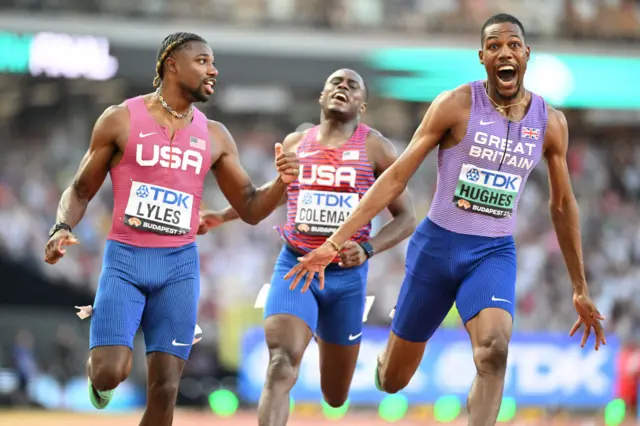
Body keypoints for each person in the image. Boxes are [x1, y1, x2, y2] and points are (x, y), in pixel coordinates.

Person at [285, 14, 606, 426]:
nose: (504, 52)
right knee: (393, 380)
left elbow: (562, 205)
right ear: (482, 57)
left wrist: (579, 286)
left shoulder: (550, 123)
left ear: (526, 54)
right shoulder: (455, 105)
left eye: (512, 45)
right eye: (493, 46)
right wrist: (332, 243)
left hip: (492, 252)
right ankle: (388, 356)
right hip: (436, 248)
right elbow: (396, 176)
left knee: (494, 351)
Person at [43, 32, 299, 426]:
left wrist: (282, 182)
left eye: (214, 62)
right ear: (171, 65)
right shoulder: (120, 119)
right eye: (202, 61)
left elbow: (250, 207)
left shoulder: (215, 135)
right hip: (125, 261)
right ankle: (101, 375)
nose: (213, 70)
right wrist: (61, 226)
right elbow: (80, 188)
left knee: (165, 390)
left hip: (179, 268)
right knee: (111, 370)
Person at [199, 68, 416, 426]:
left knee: (335, 395)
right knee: (281, 364)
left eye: (352, 86)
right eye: (335, 83)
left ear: (363, 104)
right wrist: (222, 216)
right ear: (321, 97)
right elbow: (270, 195)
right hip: (296, 267)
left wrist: (368, 249)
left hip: (346, 278)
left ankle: (353, 345)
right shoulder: (298, 143)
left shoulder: (375, 147)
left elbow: (406, 218)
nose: (342, 88)